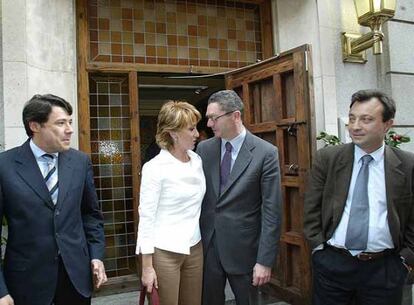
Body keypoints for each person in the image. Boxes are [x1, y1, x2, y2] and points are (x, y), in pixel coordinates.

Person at [304, 89, 414, 305]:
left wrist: (405, 258)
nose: (355, 126)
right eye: (352, 118)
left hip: (384, 269)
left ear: (387, 124)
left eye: (366, 119)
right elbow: (311, 208)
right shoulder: (328, 158)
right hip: (332, 265)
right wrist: (318, 249)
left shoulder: (408, 165)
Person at [0, 94, 106, 305]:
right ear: (35, 126)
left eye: (70, 122)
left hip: (76, 278)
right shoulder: (5, 165)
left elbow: (90, 215)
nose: (70, 129)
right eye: (60, 123)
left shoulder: (80, 162)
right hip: (26, 282)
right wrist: (1, 291)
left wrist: (96, 256)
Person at [196, 90, 282, 305]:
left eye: (213, 118)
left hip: (245, 251)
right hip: (208, 247)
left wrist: (265, 260)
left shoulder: (265, 153)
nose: (208, 124)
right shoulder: (205, 149)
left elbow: (272, 211)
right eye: (208, 117)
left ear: (235, 116)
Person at [136, 101, 205, 305]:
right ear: (173, 133)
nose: (197, 134)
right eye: (191, 129)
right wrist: (147, 267)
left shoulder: (197, 161)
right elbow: (146, 218)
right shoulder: (155, 168)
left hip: (195, 248)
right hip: (163, 252)